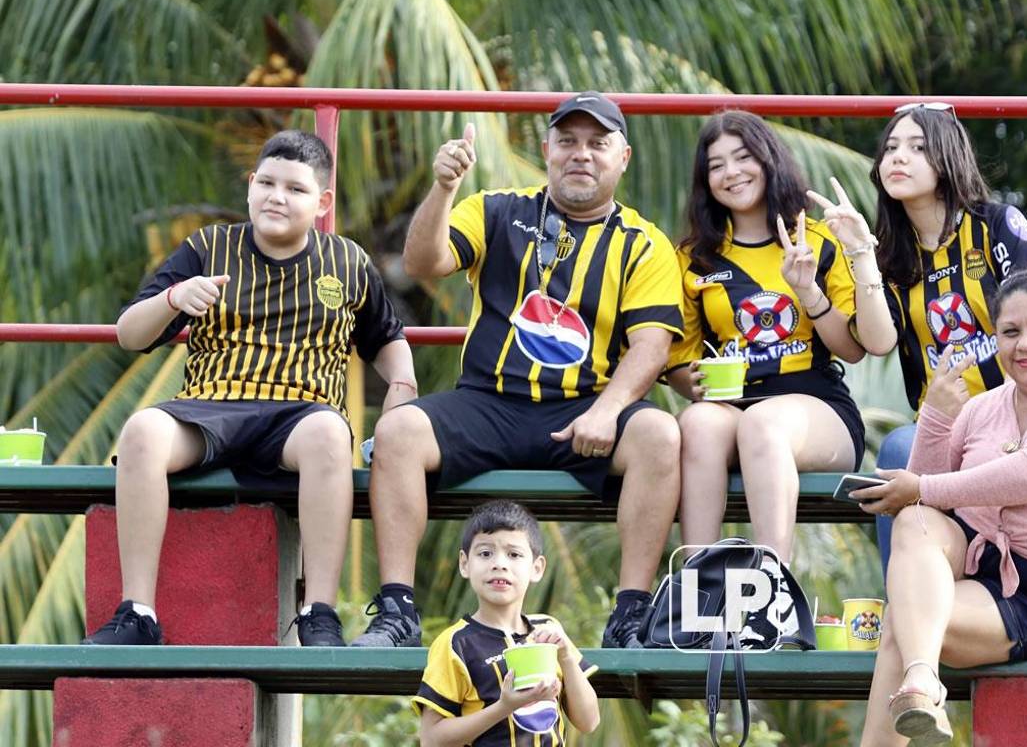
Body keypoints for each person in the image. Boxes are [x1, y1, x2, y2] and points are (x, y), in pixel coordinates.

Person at [355, 92, 684, 649]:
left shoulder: (644, 243)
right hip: (487, 403)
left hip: (584, 409)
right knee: (397, 431)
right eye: (568, 142)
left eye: (598, 144)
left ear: (622, 157)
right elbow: (421, 263)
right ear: (547, 149)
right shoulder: (496, 209)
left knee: (658, 433)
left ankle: (630, 616)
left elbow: (652, 346)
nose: (582, 155)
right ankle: (397, 613)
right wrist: (443, 188)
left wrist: (606, 412)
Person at [83, 130, 417, 647]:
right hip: (210, 409)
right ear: (249, 187)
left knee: (331, 434)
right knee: (143, 431)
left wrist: (402, 381)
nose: (277, 197)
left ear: (322, 202)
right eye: (266, 182)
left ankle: (319, 614)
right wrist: (174, 297)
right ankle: (138, 613)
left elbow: (386, 339)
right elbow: (129, 334)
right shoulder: (207, 247)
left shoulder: (348, 262)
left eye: (295, 189)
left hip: (299, 417)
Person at [852, 268, 1027, 745]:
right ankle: (921, 681)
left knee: (905, 617)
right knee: (918, 523)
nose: (1026, 345)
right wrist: (936, 417)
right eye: (1011, 332)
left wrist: (923, 489)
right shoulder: (984, 408)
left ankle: (918, 681)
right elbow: (924, 498)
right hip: (981, 578)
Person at [665, 110, 890, 646]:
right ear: (705, 181)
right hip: (731, 405)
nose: (732, 172)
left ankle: (773, 602)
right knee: (695, 423)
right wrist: (688, 383)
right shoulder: (695, 259)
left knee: (763, 424)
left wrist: (808, 291)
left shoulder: (814, 240)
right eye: (716, 164)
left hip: (815, 407)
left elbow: (854, 349)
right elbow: (678, 358)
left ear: (769, 161)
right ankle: (700, 603)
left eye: (743, 157)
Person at [864, 102, 1027, 571]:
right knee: (898, 451)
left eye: (917, 148)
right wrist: (858, 257)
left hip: (1015, 415)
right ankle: (905, 614)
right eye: (890, 148)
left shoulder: (995, 226)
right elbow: (879, 342)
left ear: (947, 157)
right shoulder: (887, 257)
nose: (898, 158)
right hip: (939, 426)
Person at [411, 500, 599, 745]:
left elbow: (589, 721)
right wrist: (504, 707)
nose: (499, 564)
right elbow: (431, 739)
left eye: (514, 554)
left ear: (537, 568)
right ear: (465, 564)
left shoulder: (548, 630)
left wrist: (565, 657)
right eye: (485, 553)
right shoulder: (456, 644)